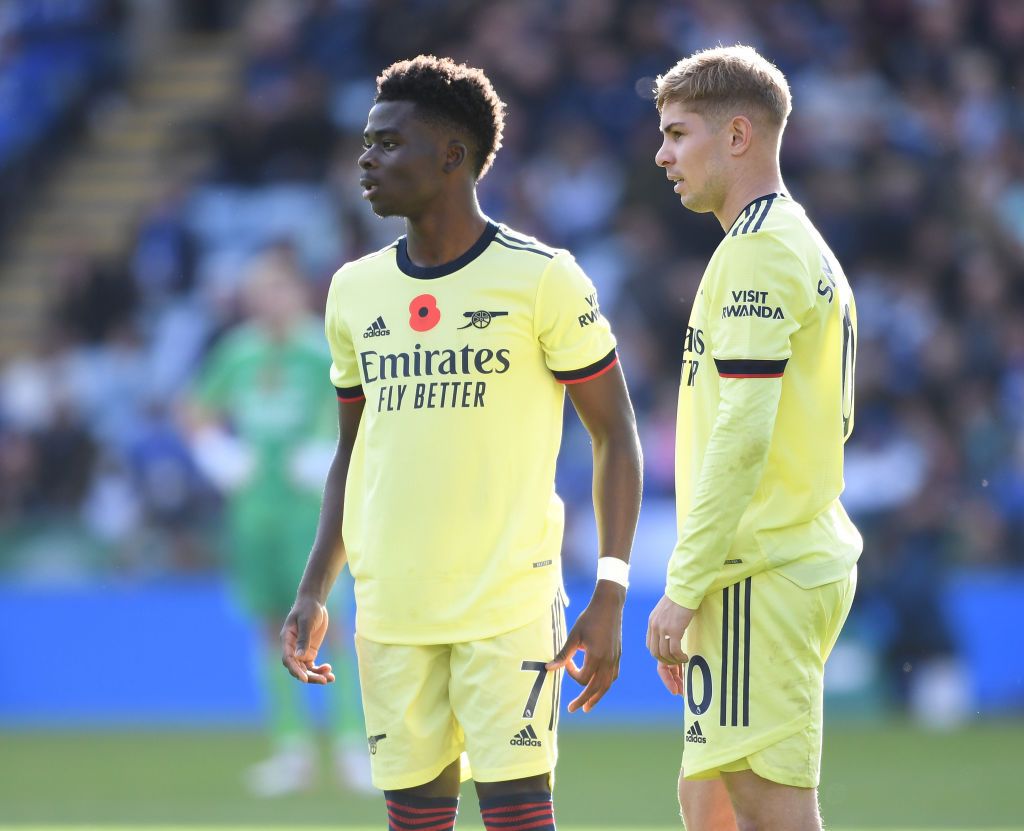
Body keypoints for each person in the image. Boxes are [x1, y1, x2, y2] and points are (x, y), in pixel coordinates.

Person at [280, 55, 643, 831]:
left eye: (387, 143)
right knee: (414, 823)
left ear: (452, 155)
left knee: (517, 819)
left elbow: (616, 433)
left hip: (507, 604)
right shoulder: (353, 290)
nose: (366, 161)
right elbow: (354, 451)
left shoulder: (543, 278)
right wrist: (316, 585)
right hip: (391, 608)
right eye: (365, 146)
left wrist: (611, 588)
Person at [644, 45, 861, 831]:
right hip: (778, 557)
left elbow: (744, 432)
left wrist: (687, 581)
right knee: (708, 799)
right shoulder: (784, 239)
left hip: (757, 569)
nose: (661, 154)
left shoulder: (763, 251)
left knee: (767, 805)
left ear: (738, 136)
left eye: (677, 133)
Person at [185, 249, 371, 796]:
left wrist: (331, 448)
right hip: (254, 513)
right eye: (257, 292)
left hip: (314, 513)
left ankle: (351, 745)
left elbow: (367, 406)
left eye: (277, 289)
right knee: (269, 626)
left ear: (297, 293)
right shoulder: (237, 352)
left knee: (329, 627)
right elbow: (195, 410)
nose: (267, 301)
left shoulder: (323, 349)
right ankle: (292, 751)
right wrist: (217, 454)